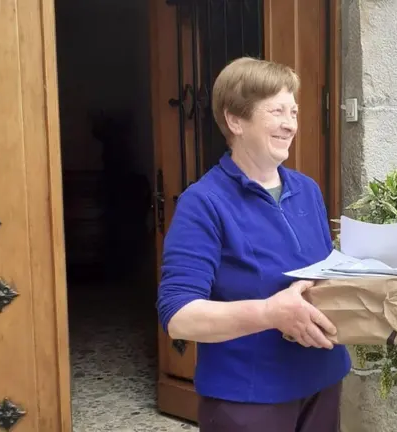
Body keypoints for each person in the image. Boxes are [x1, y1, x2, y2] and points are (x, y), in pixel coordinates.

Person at [156, 57, 351, 432]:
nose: (290, 123)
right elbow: (179, 317)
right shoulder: (204, 202)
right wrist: (269, 313)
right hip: (248, 400)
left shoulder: (306, 190)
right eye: (276, 111)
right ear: (235, 120)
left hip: (323, 381)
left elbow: (322, 276)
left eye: (293, 111)